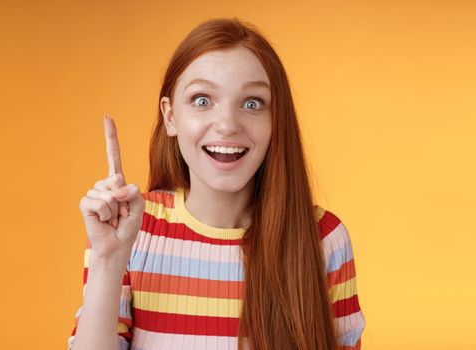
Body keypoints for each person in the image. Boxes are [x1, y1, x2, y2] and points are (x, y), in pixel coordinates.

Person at [68, 18, 366, 350]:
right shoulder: (130, 229)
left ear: (276, 119)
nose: (227, 125)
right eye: (202, 100)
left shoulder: (324, 239)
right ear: (170, 116)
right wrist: (109, 258)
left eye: (252, 103)